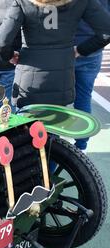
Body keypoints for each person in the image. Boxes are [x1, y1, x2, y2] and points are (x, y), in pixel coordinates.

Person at [0, 0, 110, 110]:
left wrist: (10, 56)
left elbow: (0, 42)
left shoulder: (23, 2)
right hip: (62, 78)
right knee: (59, 124)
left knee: (27, 127)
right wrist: (80, 50)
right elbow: (106, 32)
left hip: (29, 79)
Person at [74, 0, 110, 152]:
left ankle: (52, 145)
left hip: (66, 47)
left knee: (56, 99)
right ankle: (82, 146)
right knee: (84, 97)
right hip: (93, 46)